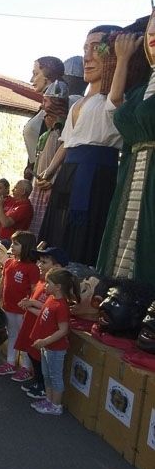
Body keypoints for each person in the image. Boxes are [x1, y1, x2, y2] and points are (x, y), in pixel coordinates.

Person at [38, 25, 123, 266]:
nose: (87, 57)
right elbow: (67, 141)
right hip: (68, 172)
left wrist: (123, 59)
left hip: (96, 174)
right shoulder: (77, 104)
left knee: (84, 233)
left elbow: (116, 100)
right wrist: (49, 171)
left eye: (97, 49)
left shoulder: (113, 98)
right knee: (58, 230)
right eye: (85, 49)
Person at [97, 18, 153, 283]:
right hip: (133, 177)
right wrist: (122, 60)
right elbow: (114, 106)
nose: (153, 31)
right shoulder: (141, 91)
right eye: (152, 22)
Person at [15, 247, 69, 400]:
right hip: (35, 328)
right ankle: (39, 383)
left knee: (42, 362)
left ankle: (45, 390)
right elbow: (43, 306)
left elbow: (52, 316)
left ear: (57, 267)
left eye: (44, 262)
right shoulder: (44, 283)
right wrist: (30, 303)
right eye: (39, 261)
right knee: (33, 355)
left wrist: (30, 305)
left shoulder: (57, 295)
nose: (39, 264)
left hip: (47, 335)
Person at [0, 231, 39, 382]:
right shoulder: (8, 263)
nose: (12, 246)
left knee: (24, 338)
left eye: (16, 244)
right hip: (8, 307)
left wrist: (30, 305)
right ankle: (10, 363)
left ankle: (26, 367)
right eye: (12, 243)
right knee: (12, 334)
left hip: (23, 311)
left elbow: (35, 290)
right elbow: (2, 284)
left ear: (26, 247)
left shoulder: (32, 268)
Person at [30, 268, 78, 415]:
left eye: (48, 283)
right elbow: (44, 315)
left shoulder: (61, 306)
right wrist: (29, 306)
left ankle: (56, 405)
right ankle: (49, 400)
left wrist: (45, 341)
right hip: (47, 347)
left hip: (55, 349)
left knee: (55, 377)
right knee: (47, 375)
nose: (45, 285)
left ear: (58, 287)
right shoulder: (51, 299)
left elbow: (63, 330)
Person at [29, 81, 70, 237]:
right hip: (40, 182)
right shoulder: (50, 131)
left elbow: (61, 158)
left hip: (49, 184)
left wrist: (52, 182)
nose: (43, 105)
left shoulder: (62, 128)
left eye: (46, 101)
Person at [23, 57, 65, 179]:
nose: (32, 79)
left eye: (36, 74)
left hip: (49, 172)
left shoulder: (58, 107)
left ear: (47, 76)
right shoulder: (42, 109)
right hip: (38, 171)